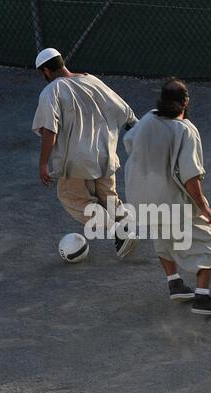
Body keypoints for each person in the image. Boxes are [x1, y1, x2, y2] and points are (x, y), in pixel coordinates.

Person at [124, 78, 211, 315]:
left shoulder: (149, 118)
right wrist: (204, 208)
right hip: (172, 201)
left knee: (163, 240)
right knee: (207, 246)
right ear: (186, 102)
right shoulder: (186, 131)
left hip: (141, 198)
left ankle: (175, 283)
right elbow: (191, 177)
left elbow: (129, 142)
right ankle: (202, 298)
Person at [32, 48, 138, 258]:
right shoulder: (91, 80)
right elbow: (126, 112)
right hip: (105, 154)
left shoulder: (51, 91)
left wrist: (43, 163)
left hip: (75, 162)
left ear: (45, 70)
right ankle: (126, 227)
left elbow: (49, 130)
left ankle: (116, 231)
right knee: (109, 198)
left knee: (74, 199)